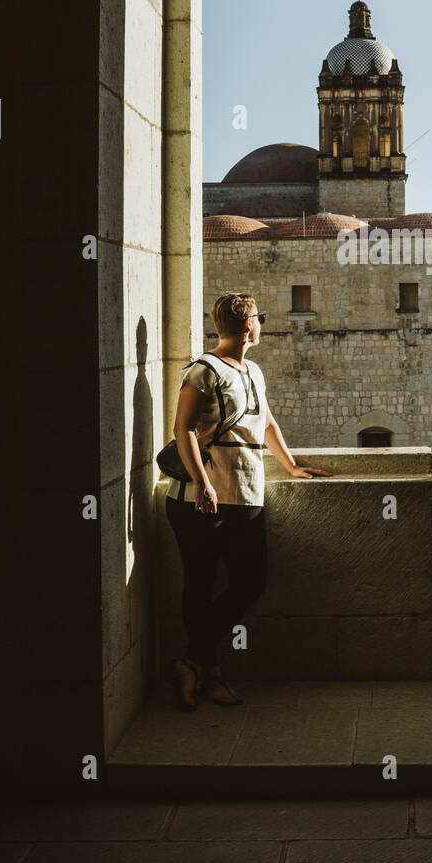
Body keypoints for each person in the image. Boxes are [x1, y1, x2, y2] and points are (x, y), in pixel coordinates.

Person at [165, 290, 331, 710]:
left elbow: (266, 421)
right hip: (197, 500)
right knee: (200, 586)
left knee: (249, 581)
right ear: (246, 325)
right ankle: (211, 672)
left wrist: (291, 466)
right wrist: (203, 483)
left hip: (245, 493)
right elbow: (182, 428)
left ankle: (190, 662)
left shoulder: (252, 370)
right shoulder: (203, 370)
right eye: (258, 317)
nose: (260, 323)